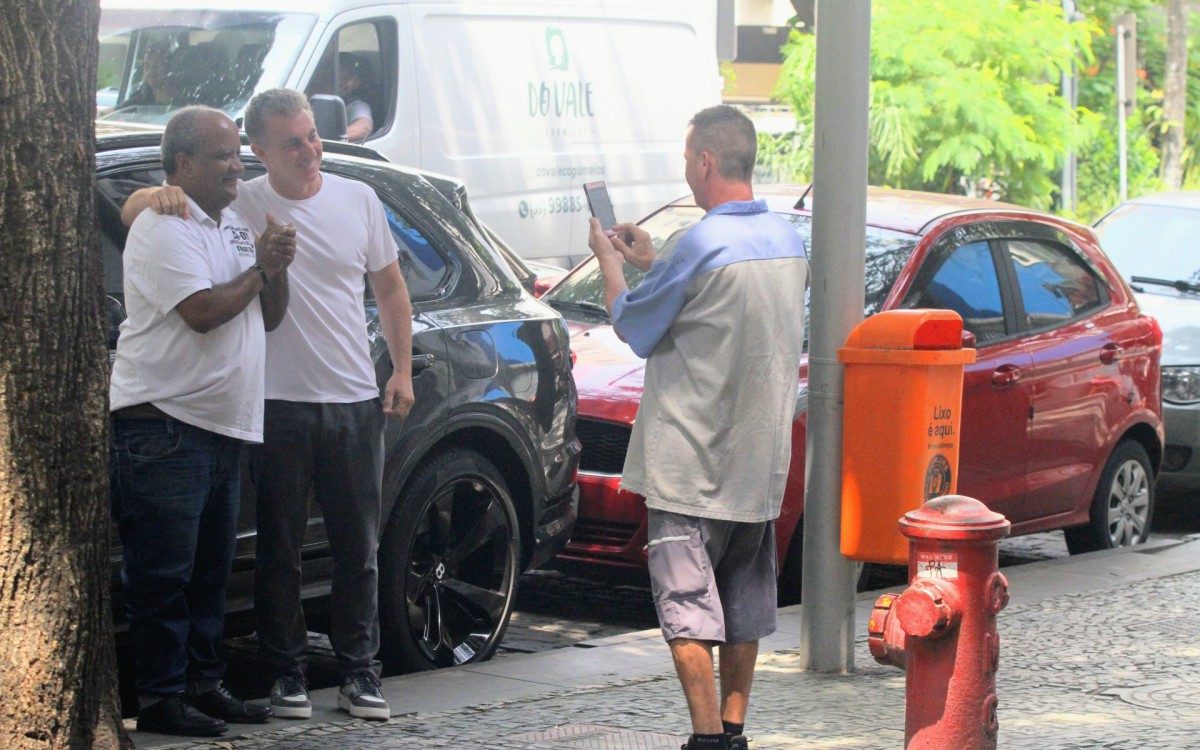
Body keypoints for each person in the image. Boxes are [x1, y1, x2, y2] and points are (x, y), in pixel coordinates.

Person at [120, 88, 414, 721]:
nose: (309, 150)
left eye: (312, 136)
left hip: (334, 399)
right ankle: (278, 676)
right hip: (255, 407)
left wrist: (403, 368)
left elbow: (385, 287)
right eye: (291, 142)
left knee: (351, 546)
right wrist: (150, 195)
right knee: (267, 550)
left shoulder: (343, 199)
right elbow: (151, 215)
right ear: (258, 152)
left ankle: (358, 672)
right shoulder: (235, 204)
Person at [586, 105, 808, 750]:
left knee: (685, 607)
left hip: (691, 461)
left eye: (688, 160)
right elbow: (717, 316)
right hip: (758, 461)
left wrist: (612, 263)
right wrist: (659, 263)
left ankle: (706, 739)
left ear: (706, 161)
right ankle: (735, 733)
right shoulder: (789, 240)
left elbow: (634, 326)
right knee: (743, 605)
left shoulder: (701, 242)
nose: (686, 171)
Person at [110, 105, 295, 737]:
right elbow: (202, 311)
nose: (236, 163)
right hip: (165, 422)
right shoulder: (165, 226)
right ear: (183, 163)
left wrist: (275, 264)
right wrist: (263, 268)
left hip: (221, 425)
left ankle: (203, 683)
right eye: (221, 154)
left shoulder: (234, 227)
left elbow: (267, 316)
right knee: (164, 574)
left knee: (211, 571)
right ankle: (161, 697)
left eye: (237, 150)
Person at [338, 52, 375, 142]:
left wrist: (321, 139)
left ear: (357, 83)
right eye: (338, 77)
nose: (341, 82)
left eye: (346, 78)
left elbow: (363, 129)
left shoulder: (357, 106)